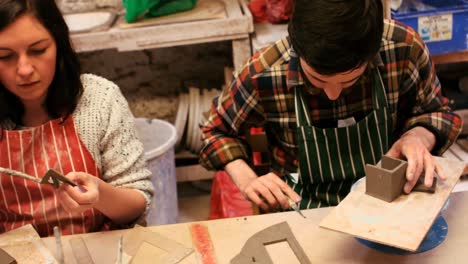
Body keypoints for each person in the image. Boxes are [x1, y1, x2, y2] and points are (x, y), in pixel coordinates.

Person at [200, 0, 462, 212]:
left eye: (349, 80)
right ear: (296, 44)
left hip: (391, 206)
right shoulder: (265, 72)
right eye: (317, 79)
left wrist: (418, 137)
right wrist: (247, 179)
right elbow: (213, 131)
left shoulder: (403, 49)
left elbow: (437, 112)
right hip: (303, 210)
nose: (333, 94)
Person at [0, 0, 153, 237]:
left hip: (99, 248)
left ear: (60, 45)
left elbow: (137, 203)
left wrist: (101, 196)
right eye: (5, 56)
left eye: (38, 50)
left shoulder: (100, 99)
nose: (24, 69)